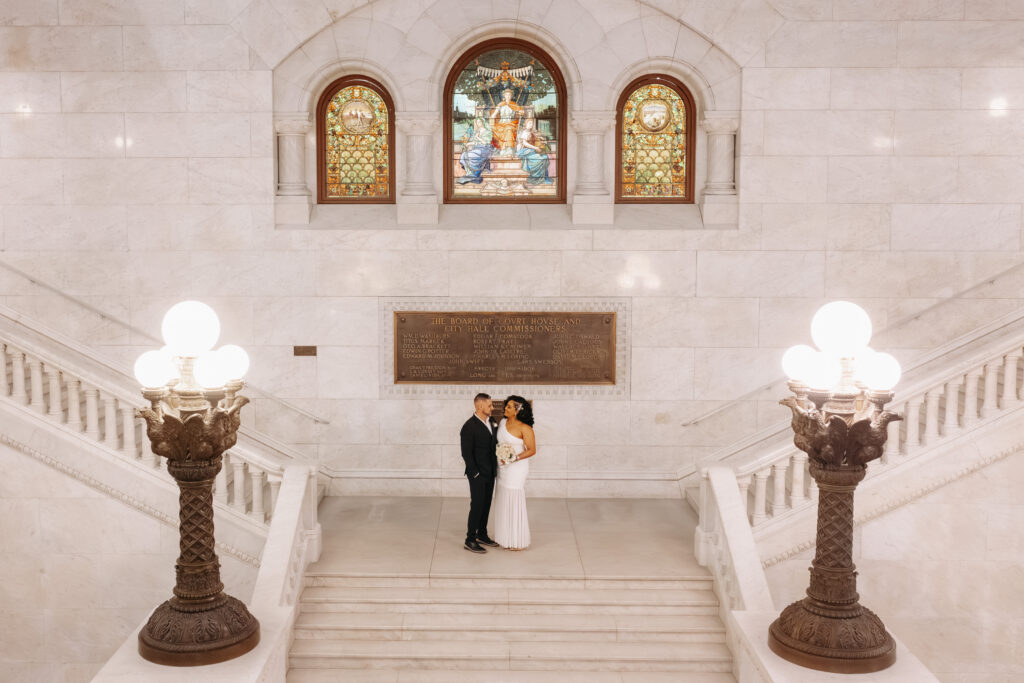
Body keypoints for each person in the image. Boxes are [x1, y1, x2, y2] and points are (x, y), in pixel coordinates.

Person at [492, 395, 537, 550]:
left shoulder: (526, 428)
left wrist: (513, 458)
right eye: (506, 405)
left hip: (517, 469)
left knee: (513, 497)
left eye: (509, 407)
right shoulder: (503, 422)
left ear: (517, 410)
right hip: (502, 467)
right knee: (503, 496)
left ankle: (517, 540)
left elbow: (532, 450)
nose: (505, 408)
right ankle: (504, 537)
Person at [459, 393, 500, 553]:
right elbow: (466, 454)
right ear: (479, 406)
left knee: (486, 504)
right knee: (476, 505)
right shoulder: (469, 426)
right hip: (477, 474)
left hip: (490, 472)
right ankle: (470, 539)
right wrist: (475, 473)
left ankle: (482, 534)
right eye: (489, 405)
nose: (492, 408)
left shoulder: (492, 422)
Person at [516, 118, 553, 185]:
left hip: (532, 150)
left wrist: (541, 139)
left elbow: (535, 139)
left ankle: (543, 177)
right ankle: (536, 177)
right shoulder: (525, 132)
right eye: (530, 123)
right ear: (525, 124)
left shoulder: (531, 132)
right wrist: (535, 148)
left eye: (532, 123)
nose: (531, 125)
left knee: (545, 157)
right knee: (543, 158)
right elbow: (525, 143)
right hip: (526, 151)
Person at [456, 117, 493, 185]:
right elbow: (475, 142)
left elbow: (485, 143)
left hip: (485, 149)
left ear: (483, 122)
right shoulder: (477, 131)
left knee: (470, 155)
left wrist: (478, 137)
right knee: (464, 155)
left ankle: (475, 174)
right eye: (477, 122)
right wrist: (468, 144)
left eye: (479, 122)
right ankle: (470, 173)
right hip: (477, 148)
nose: (478, 124)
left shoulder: (487, 132)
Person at [490, 89, 524, 157]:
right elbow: (494, 114)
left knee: (509, 129)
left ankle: (509, 150)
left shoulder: (514, 104)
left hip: (511, 122)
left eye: (509, 95)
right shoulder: (501, 104)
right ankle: (502, 149)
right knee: (502, 129)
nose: (508, 96)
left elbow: (521, 111)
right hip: (501, 123)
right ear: (504, 96)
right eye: (506, 95)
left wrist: (521, 112)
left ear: (511, 96)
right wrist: (492, 117)